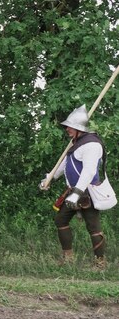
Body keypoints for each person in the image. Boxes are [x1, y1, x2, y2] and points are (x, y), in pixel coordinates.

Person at [39, 105, 108, 269]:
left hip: (87, 193)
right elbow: (65, 163)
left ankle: (100, 263)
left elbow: (89, 171)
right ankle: (68, 258)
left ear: (79, 128)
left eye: (70, 126)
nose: (67, 129)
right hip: (73, 192)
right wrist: (49, 178)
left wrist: (77, 193)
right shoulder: (77, 143)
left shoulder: (92, 145)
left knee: (93, 227)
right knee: (60, 220)